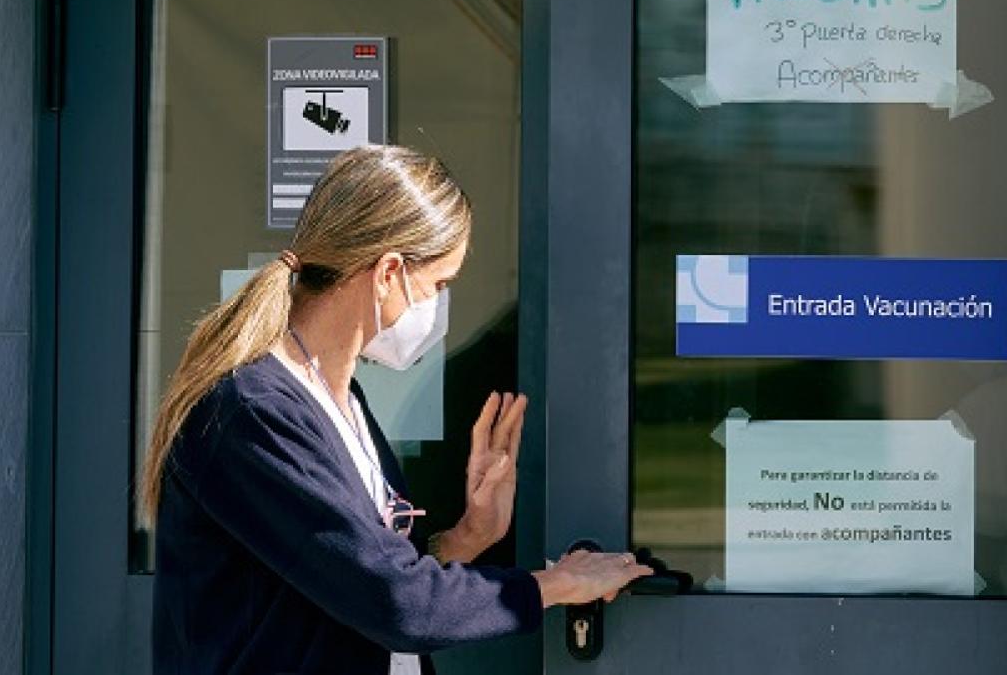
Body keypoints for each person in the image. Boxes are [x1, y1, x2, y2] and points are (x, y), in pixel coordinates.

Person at [140, 145, 651, 674]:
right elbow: (396, 603)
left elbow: (357, 578)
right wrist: (560, 584)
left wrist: (468, 536)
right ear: (388, 273)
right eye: (440, 284)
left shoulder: (340, 401)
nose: (439, 305)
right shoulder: (253, 412)